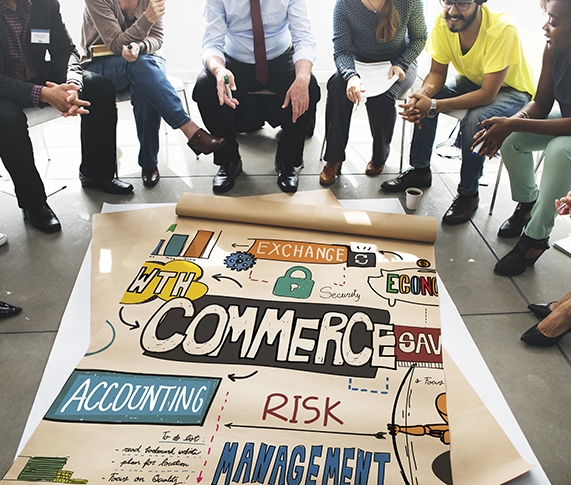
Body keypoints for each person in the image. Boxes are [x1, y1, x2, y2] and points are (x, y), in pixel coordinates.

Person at [382, 0, 535, 225]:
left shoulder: (502, 29)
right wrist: (423, 94)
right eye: (448, 2)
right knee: (426, 99)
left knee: (475, 119)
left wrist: (433, 105)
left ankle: (468, 194)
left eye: (462, 3)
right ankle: (420, 170)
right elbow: (436, 73)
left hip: (512, 90)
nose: (452, 11)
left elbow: (487, 94)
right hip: (474, 81)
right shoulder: (444, 21)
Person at [0, 0, 133, 234]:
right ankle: (34, 203)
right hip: (4, 90)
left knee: (100, 88)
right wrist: (43, 94)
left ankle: (96, 174)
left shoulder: (44, 3)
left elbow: (65, 49)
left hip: (39, 75)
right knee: (6, 121)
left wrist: (72, 83)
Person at [472, 0, 571, 276]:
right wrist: (508, 125)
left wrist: (511, 122)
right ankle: (528, 204)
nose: (545, 27)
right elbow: (541, 103)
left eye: (553, 22)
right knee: (514, 139)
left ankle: (535, 238)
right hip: (565, 121)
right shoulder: (553, 47)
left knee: (559, 150)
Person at [81, 0, 225, 187]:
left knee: (144, 83)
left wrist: (139, 47)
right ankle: (189, 131)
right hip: (103, 65)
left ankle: (149, 162)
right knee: (141, 68)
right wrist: (147, 18)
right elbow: (116, 44)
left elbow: (157, 38)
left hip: (146, 60)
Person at [192, 0, 321, 194]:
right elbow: (212, 43)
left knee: (308, 85)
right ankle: (229, 161)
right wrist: (219, 70)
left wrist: (302, 76)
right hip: (236, 61)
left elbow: (303, 37)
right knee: (205, 85)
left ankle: (286, 161)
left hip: (279, 57)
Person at [319, 0, 427, 186]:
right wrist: (351, 75)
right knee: (337, 85)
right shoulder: (345, 3)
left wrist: (401, 64)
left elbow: (419, 38)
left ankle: (379, 156)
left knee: (383, 98)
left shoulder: (409, 2)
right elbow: (342, 50)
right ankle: (333, 158)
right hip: (358, 62)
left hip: (398, 62)